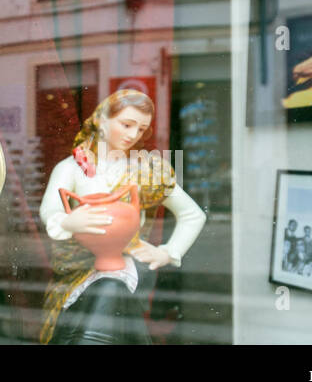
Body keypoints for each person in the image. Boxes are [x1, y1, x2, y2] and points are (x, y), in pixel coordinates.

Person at [38, 90, 206, 344]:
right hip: (76, 269)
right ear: (102, 120)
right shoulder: (71, 168)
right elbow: (50, 209)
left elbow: (192, 214)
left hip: (126, 265)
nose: (132, 135)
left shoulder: (146, 170)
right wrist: (66, 221)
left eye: (140, 130)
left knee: (110, 288)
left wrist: (168, 252)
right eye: (126, 125)